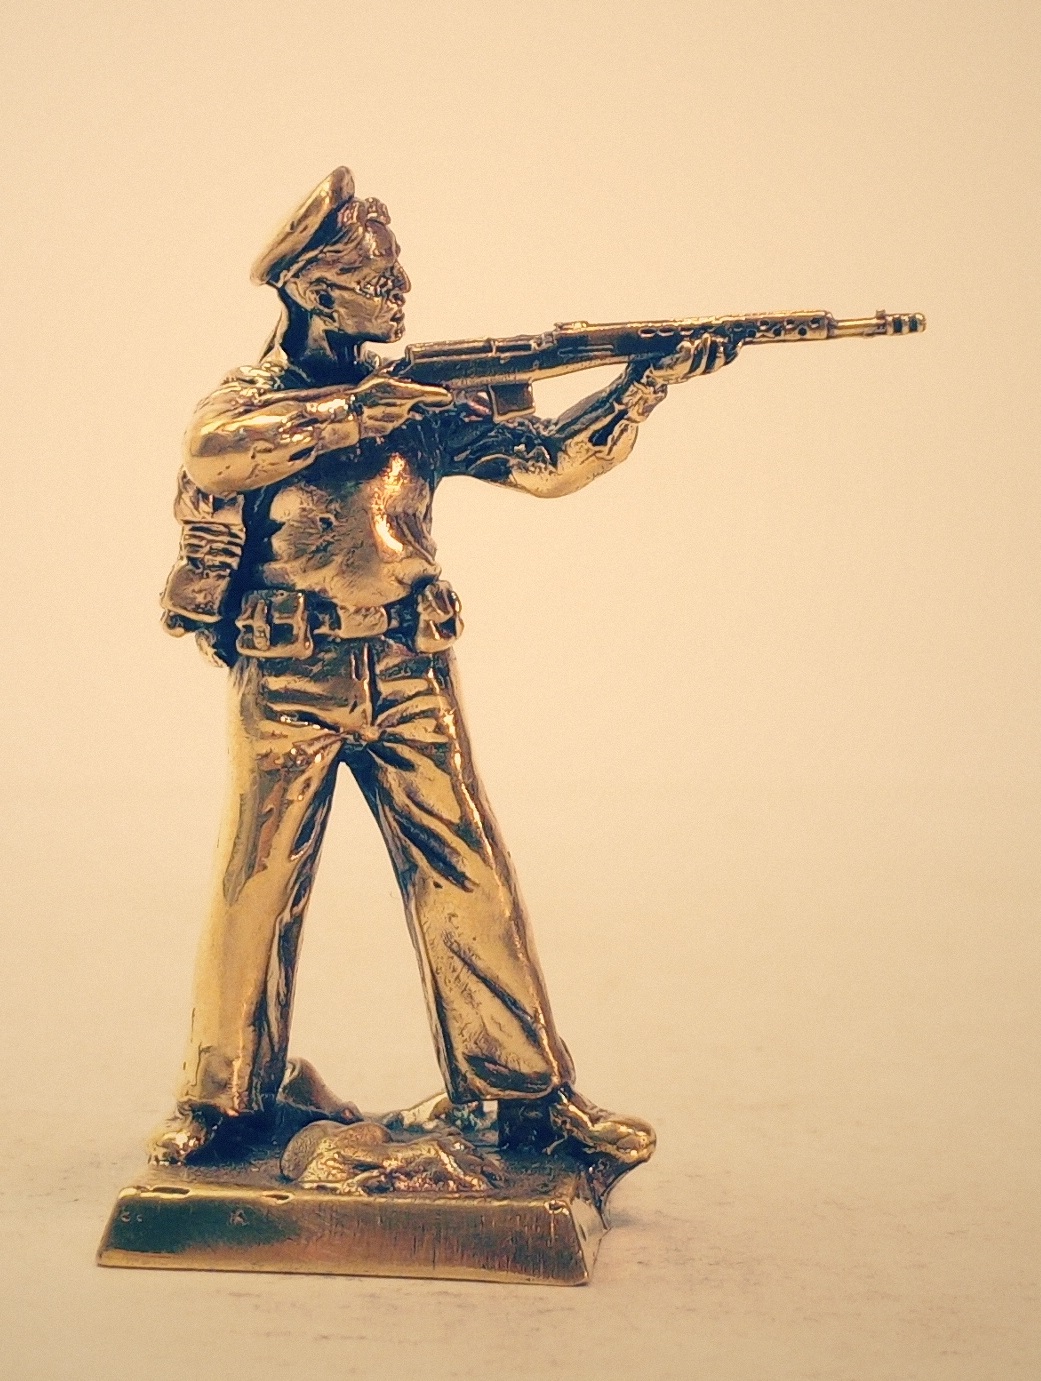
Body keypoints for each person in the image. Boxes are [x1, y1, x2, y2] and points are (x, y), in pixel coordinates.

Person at [150, 167, 739, 1167]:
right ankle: (222, 1102)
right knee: (256, 885)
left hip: (409, 669)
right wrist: (356, 412)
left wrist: (643, 385)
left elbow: (548, 462)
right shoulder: (254, 399)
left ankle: (525, 1099)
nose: (402, 290)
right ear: (313, 287)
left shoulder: (420, 406)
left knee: (469, 877)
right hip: (289, 674)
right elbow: (215, 451)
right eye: (379, 277)